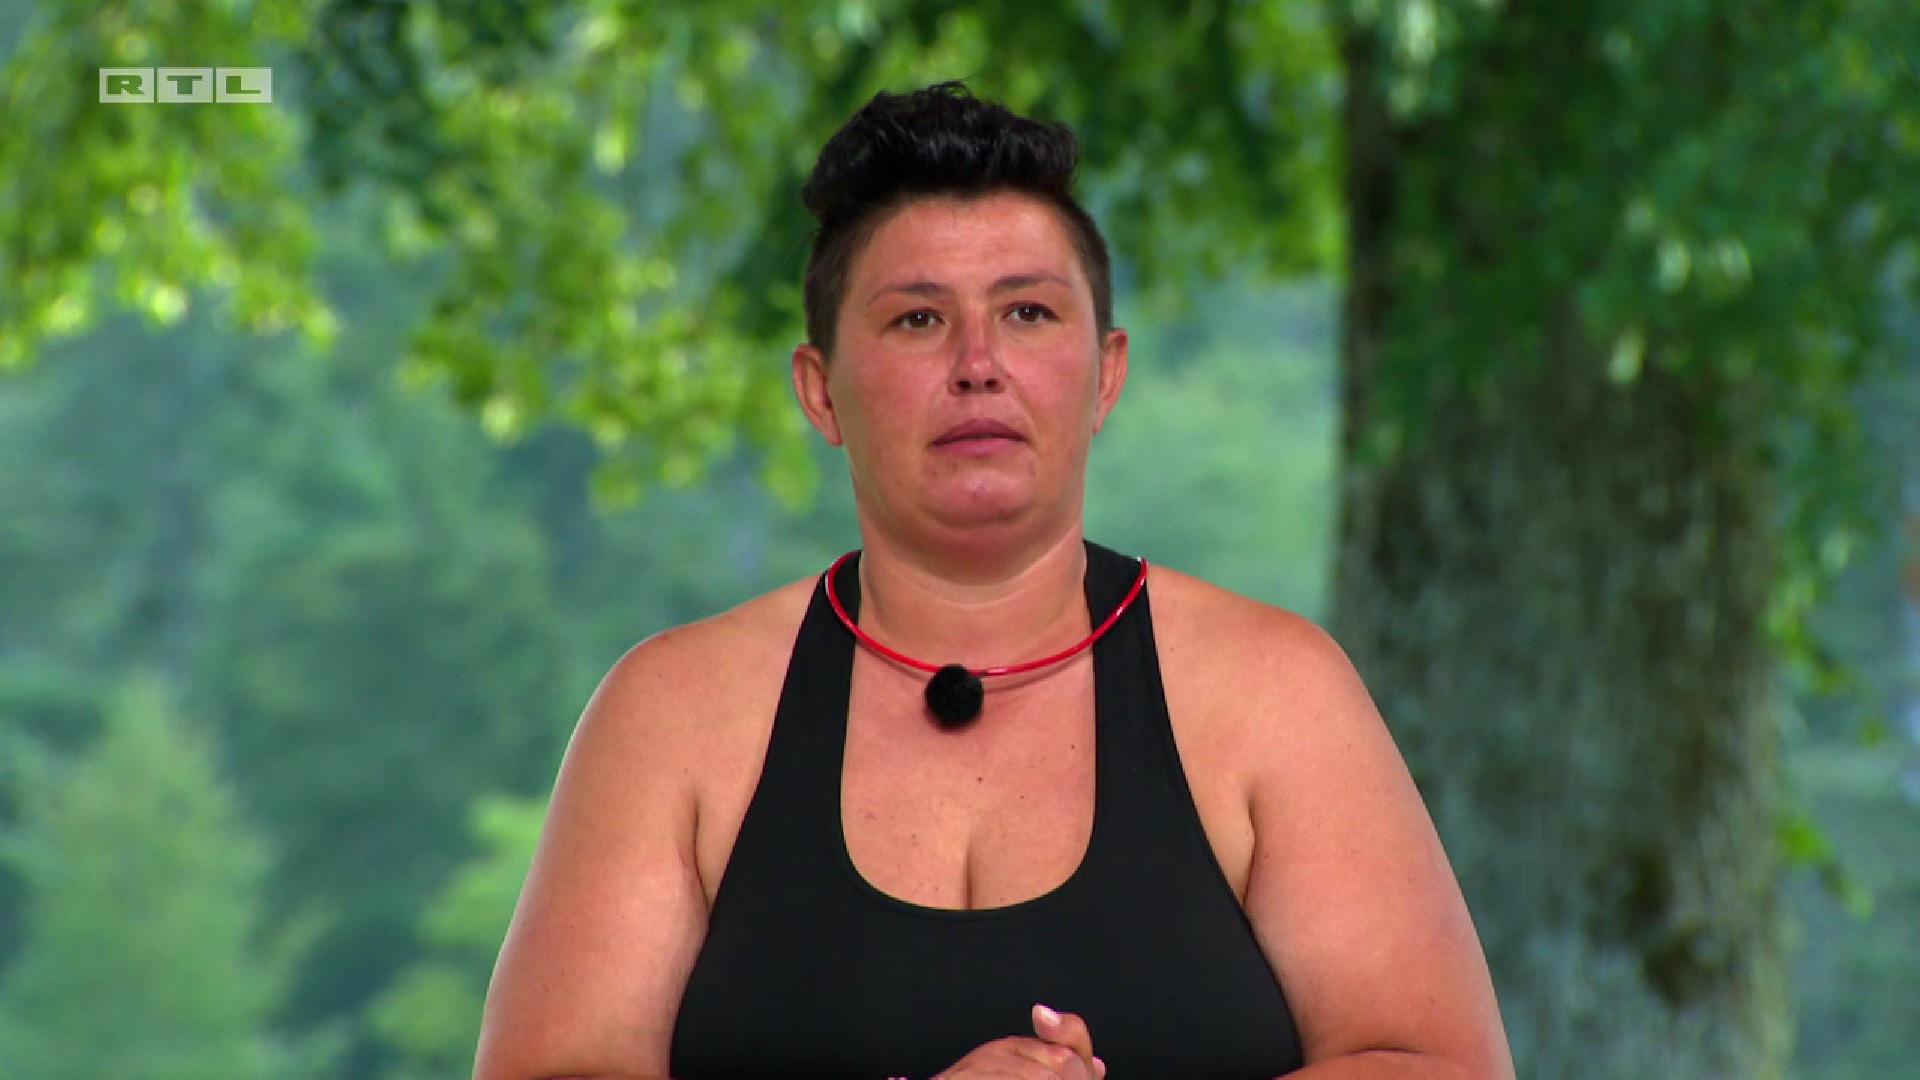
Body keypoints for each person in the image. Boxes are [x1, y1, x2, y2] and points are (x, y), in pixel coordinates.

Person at [473, 81, 1513, 1080]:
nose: (979, 363)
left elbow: (1443, 1066)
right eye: (918, 320)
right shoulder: (671, 713)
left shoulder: (1277, 692)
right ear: (820, 390)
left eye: (1027, 313)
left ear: (1106, 373)